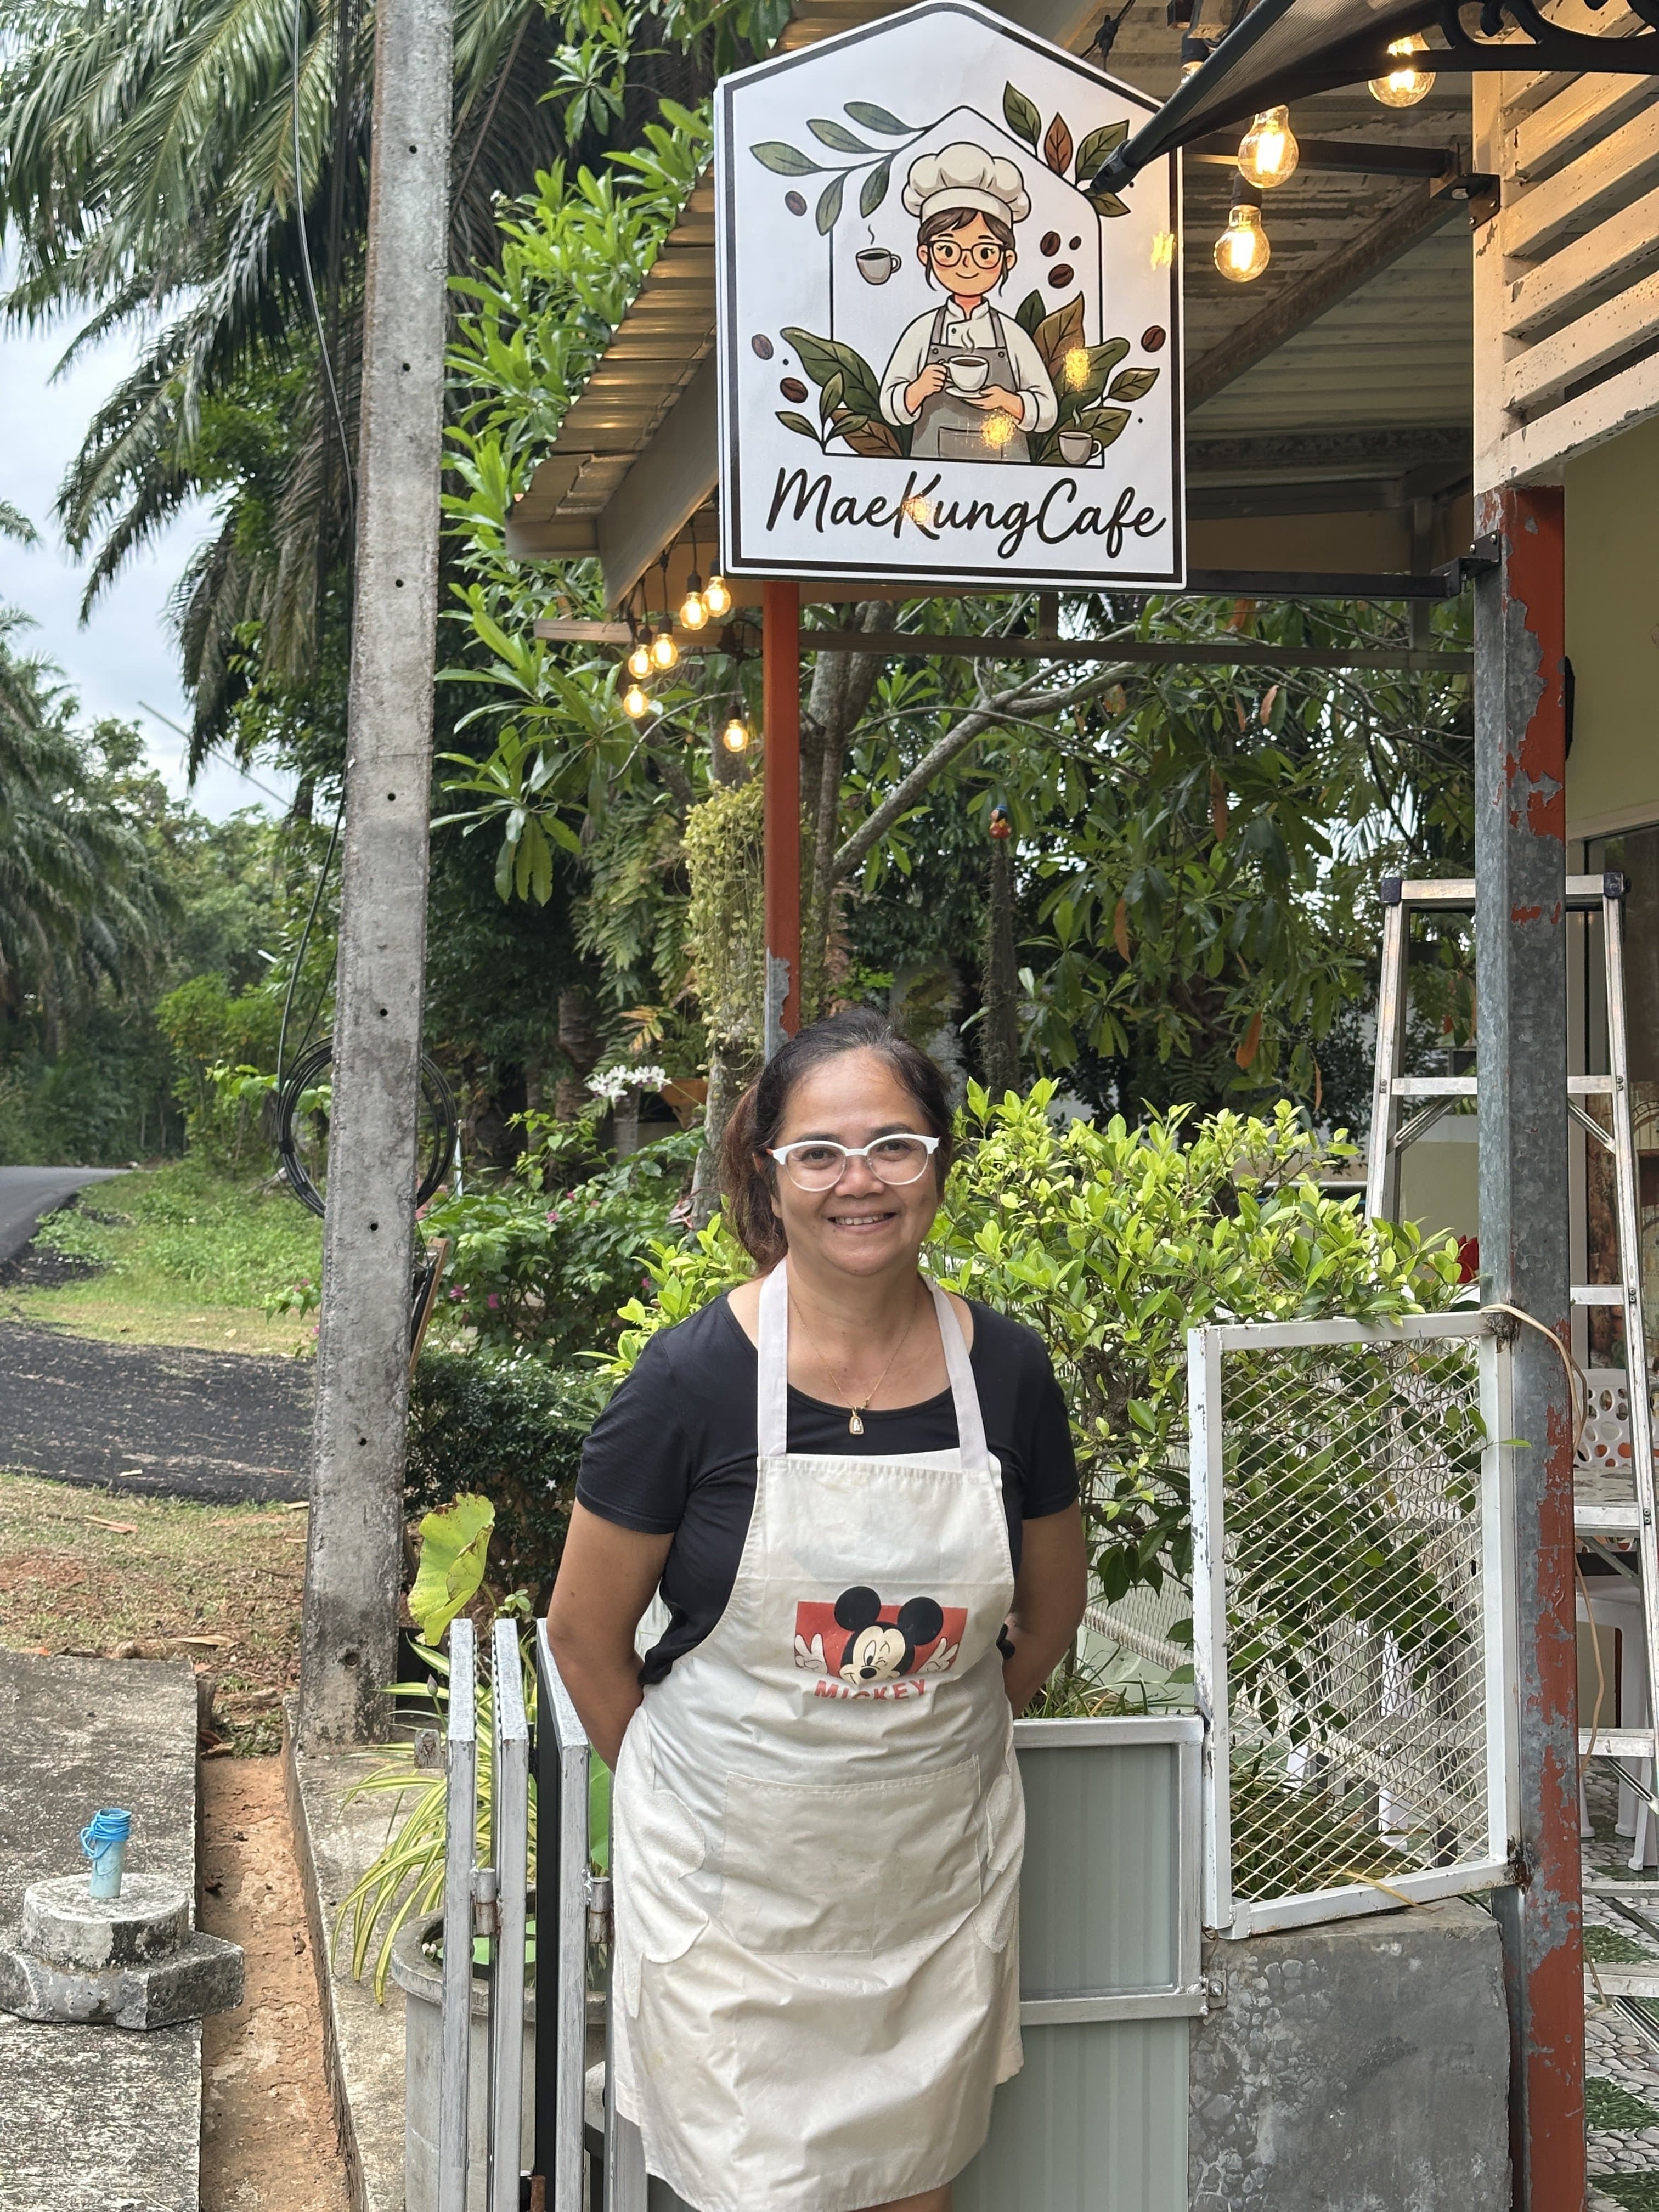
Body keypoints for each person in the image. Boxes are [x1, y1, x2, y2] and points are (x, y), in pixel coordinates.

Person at [546, 1009, 1088, 2212]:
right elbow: (585, 1635)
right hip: (733, 1904)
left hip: (927, 1892)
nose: (862, 1182)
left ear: (941, 1163)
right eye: (822, 1153)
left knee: (912, 2187)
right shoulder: (689, 1382)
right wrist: (709, 1796)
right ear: (770, 1174)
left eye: (896, 1146)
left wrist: (923, 1746)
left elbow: (1050, 1614)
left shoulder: (1008, 1373)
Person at [877, 143, 1059, 464]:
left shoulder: (1012, 335)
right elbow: (889, 405)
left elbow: (1047, 410)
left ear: (1008, 260)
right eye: (948, 251)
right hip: (931, 477)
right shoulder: (922, 331)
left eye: (985, 253)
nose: (967, 266)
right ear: (926, 255)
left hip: (1007, 483)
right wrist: (918, 389)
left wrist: (1009, 401)